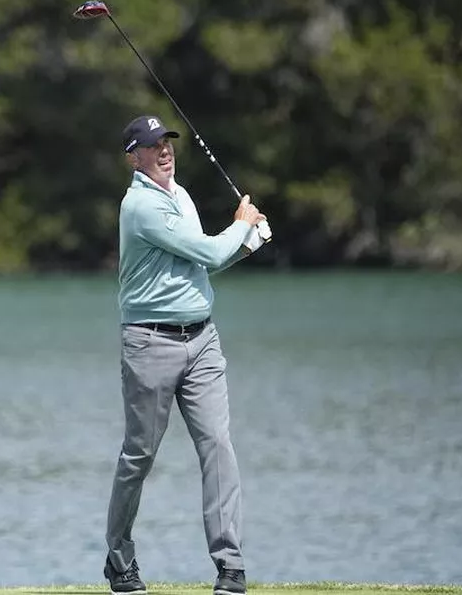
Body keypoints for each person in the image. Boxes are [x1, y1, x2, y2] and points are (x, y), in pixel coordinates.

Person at [103, 115, 270, 595]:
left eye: (167, 142)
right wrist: (242, 227)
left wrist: (250, 240)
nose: (164, 150)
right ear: (134, 157)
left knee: (218, 446)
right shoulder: (140, 207)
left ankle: (230, 566)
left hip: (202, 342)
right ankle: (119, 558)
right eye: (153, 145)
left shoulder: (181, 196)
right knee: (139, 455)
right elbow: (213, 253)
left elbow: (202, 265)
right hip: (150, 343)